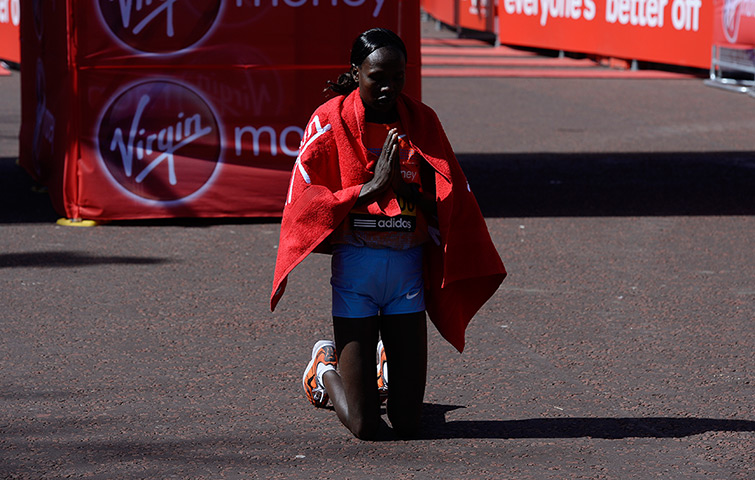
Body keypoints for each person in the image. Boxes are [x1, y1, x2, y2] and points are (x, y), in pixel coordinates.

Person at [270, 28, 506, 440]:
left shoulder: (422, 122)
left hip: (405, 274)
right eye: (377, 76)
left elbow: (452, 202)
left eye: (398, 77)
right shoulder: (329, 120)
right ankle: (325, 372)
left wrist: (408, 190)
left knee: (409, 423)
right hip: (356, 274)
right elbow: (303, 200)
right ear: (355, 72)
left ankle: (380, 367)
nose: (389, 87)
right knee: (365, 426)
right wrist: (369, 189)